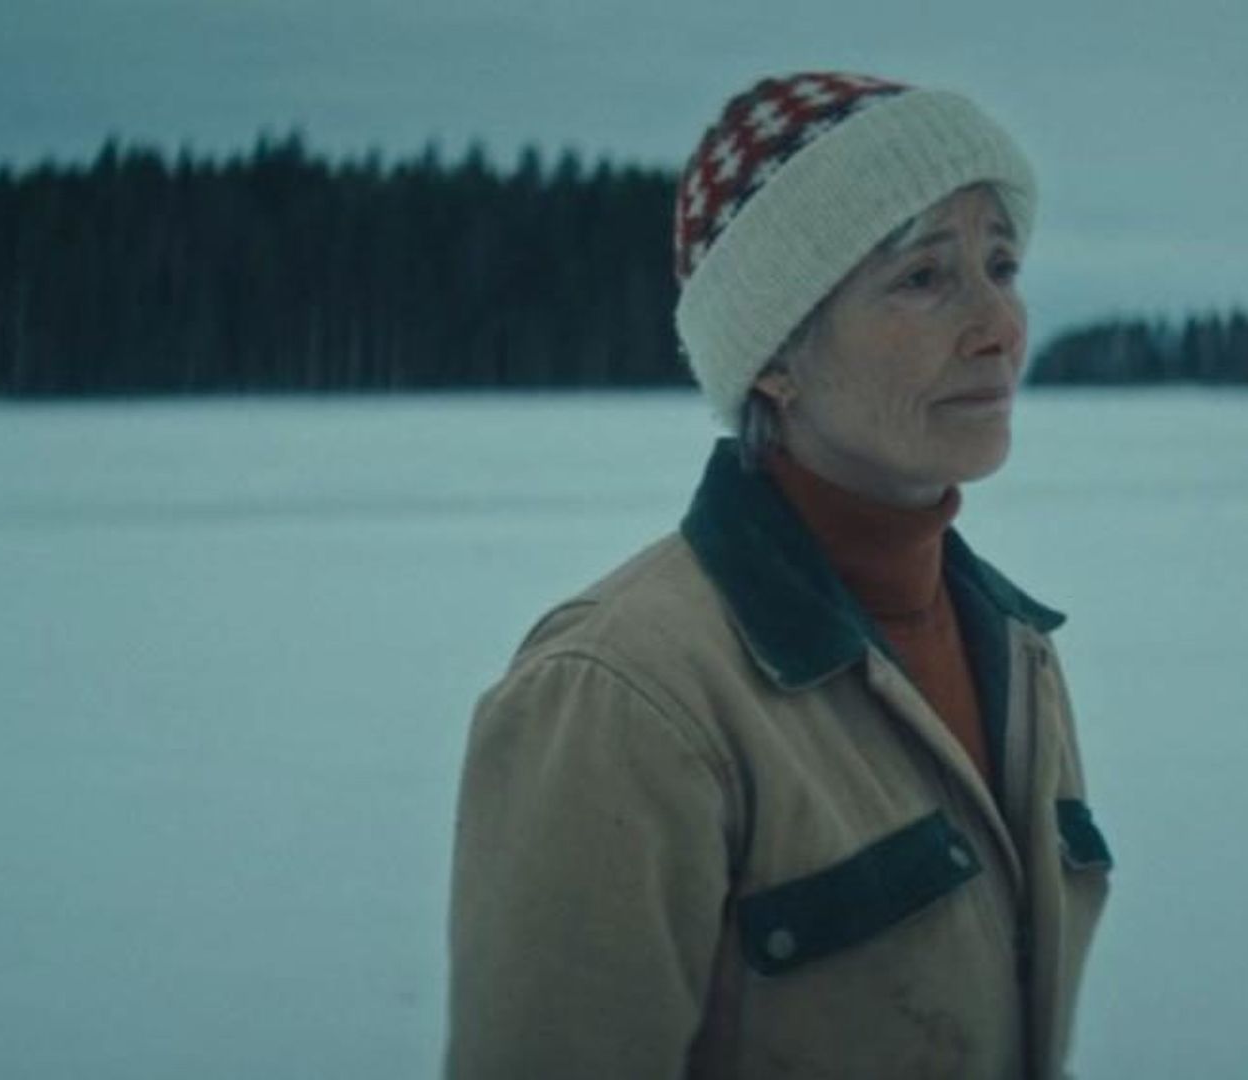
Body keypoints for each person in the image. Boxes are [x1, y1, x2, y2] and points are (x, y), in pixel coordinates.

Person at [446, 70, 1111, 1079]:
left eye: (1003, 265)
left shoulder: (1018, 656)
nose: (1000, 326)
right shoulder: (626, 698)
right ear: (774, 356)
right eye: (925, 277)